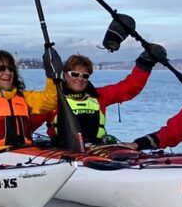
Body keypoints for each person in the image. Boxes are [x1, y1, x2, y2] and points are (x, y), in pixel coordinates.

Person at [33, 45, 165, 148]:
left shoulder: (99, 96)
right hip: (62, 152)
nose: (80, 79)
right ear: (65, 75)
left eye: (85, 75)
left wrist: (145, 63)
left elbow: (128, 88)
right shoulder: (53, 100)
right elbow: (30, 124)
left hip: (97, 149)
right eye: (75, 74)